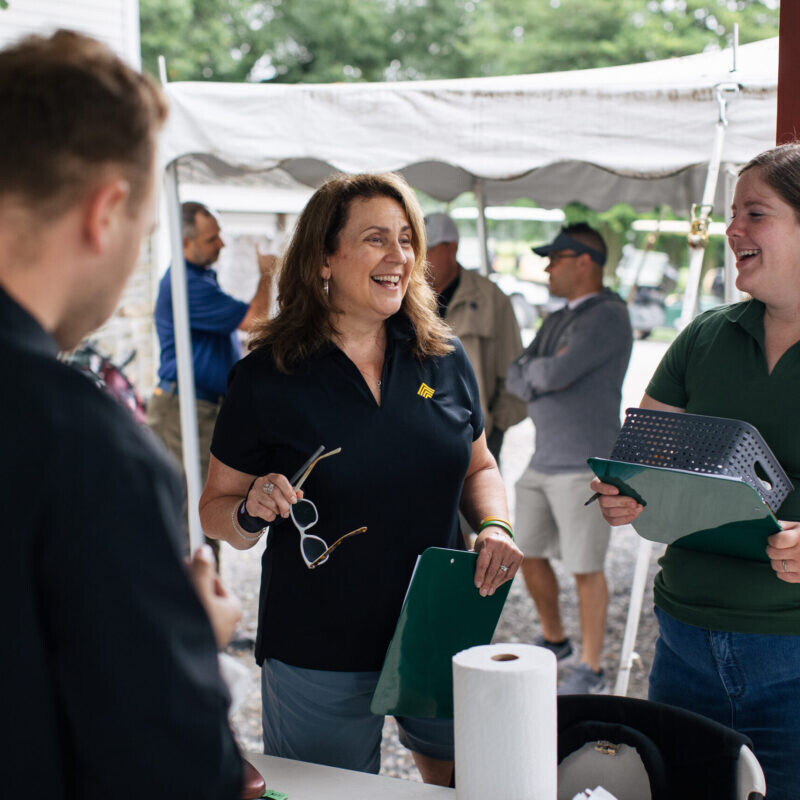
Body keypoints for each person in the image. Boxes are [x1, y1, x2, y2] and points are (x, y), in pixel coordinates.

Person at [199, 172, 523, 786]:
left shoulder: (443, 356)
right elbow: (215, 510)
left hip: (438, 628)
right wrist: (250, 507)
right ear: (325, 256)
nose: (398, 256)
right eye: (376, 238)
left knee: (467, 782)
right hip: (318, 645)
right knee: (327, 794)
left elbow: (479, 465)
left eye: (406, 239)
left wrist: (496, 525)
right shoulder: (268, 376)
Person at [0, 30, 243, 798]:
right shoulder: (84, 442)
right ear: (107, 212)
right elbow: (162, 766)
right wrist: (192, 647)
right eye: (142, 233)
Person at [591, 143, 800, 800]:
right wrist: (622, 496)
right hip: (683, 645)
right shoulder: (703, 338)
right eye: (732, 213)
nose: (732, 229)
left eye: (754, 214)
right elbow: (641, 465)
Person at [506, 223, 632, 694]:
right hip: (543, 460)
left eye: (555, 258)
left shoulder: (608, 315)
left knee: (585, 567)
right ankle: (556, 640)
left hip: (586, 464)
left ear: (584, 261)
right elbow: (515, 373)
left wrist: (541, 371)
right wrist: (542, 371)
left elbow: (552, 372)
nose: (546, 267)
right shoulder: (558, 317)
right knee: (528, 554)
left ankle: (592, 666)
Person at [148, 201, 276, 560]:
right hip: (183, 408)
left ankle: (204, 595)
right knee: (194, 511)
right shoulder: (185, 284)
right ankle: (197, 601)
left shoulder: (201, 277)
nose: (221, 244)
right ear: (186, 243)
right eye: (211, 238)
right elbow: (254, 318)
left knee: (202, 506)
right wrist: (267, 273)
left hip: (200, 404)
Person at [423, 212, 526, 462]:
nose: (418, 259)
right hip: (418, 439)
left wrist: (494, 429)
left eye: (428, 250)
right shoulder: (402, 299)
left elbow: (513, 374)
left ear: (451, 248)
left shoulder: (490, 298)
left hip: (475, 440)